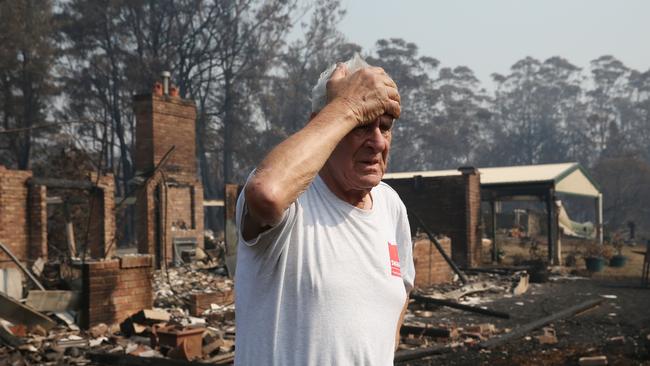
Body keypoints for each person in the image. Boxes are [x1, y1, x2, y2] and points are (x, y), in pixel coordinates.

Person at [234, 54, 415, 366]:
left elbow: (402, 291)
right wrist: (347, 106)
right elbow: (267, 194)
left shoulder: (391, 207)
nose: (377, 142)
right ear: (324, 123)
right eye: (361, 124)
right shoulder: (295, 199)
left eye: (385, 127)